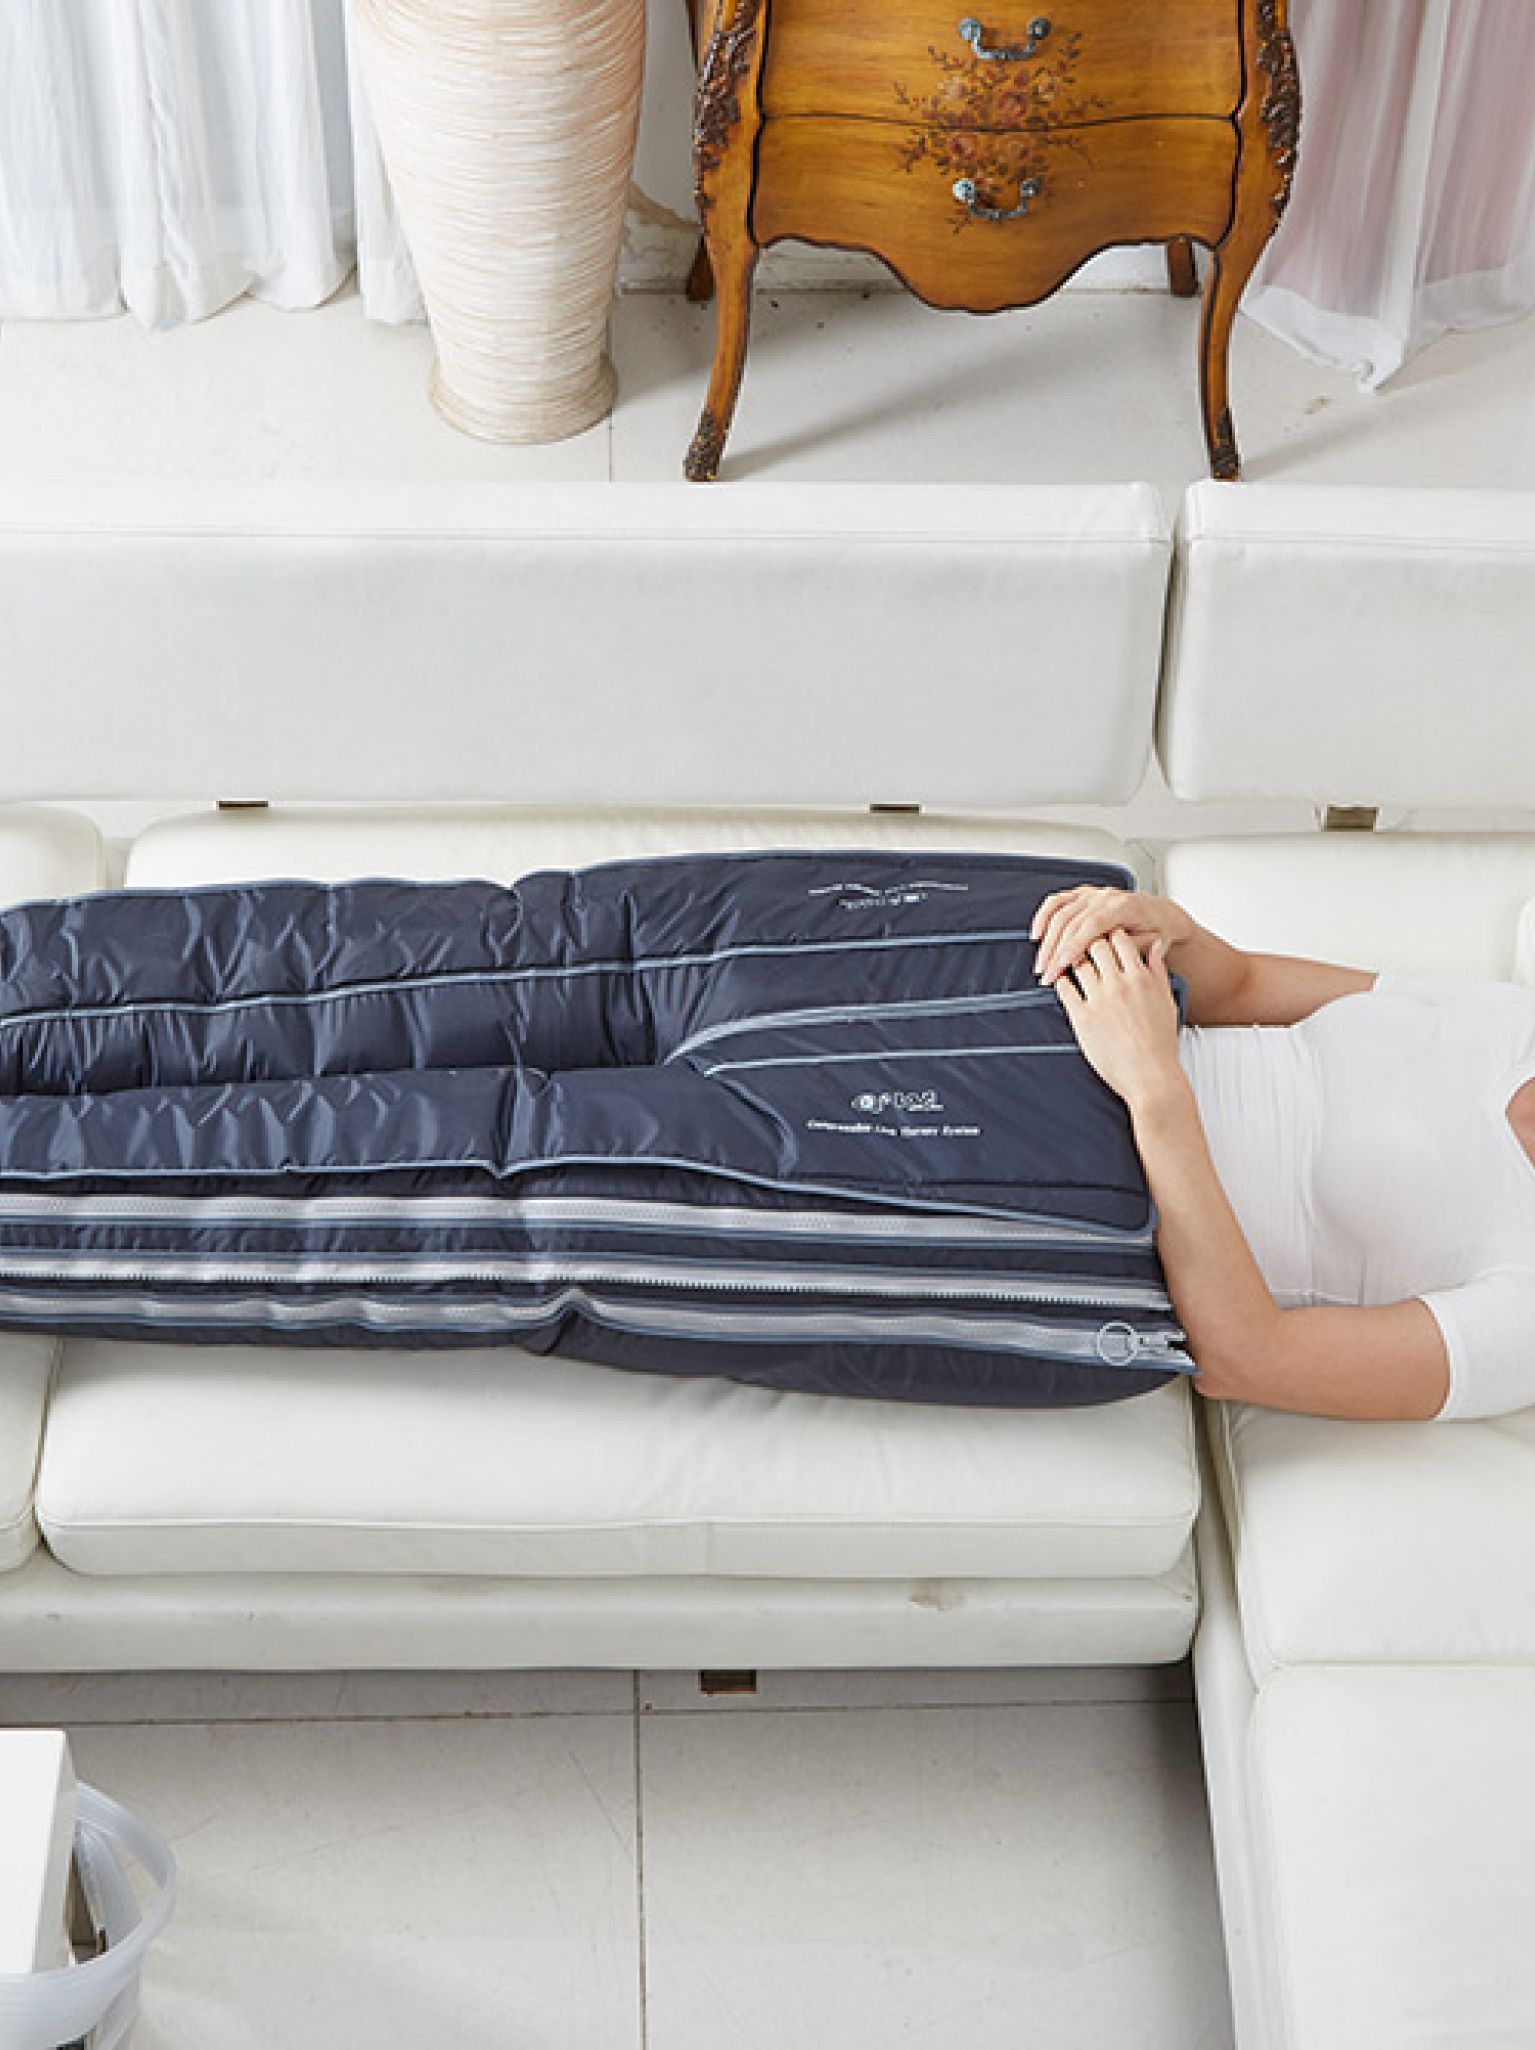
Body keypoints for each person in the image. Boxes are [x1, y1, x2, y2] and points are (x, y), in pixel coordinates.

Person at [1029, 885, 1535, 1424]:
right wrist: (1170, 932)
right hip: (1065, 1028)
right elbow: (1245, 987)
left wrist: (1153, 1089)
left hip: (1068, 1194)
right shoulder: (1517, 1018)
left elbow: (1249, 1359)